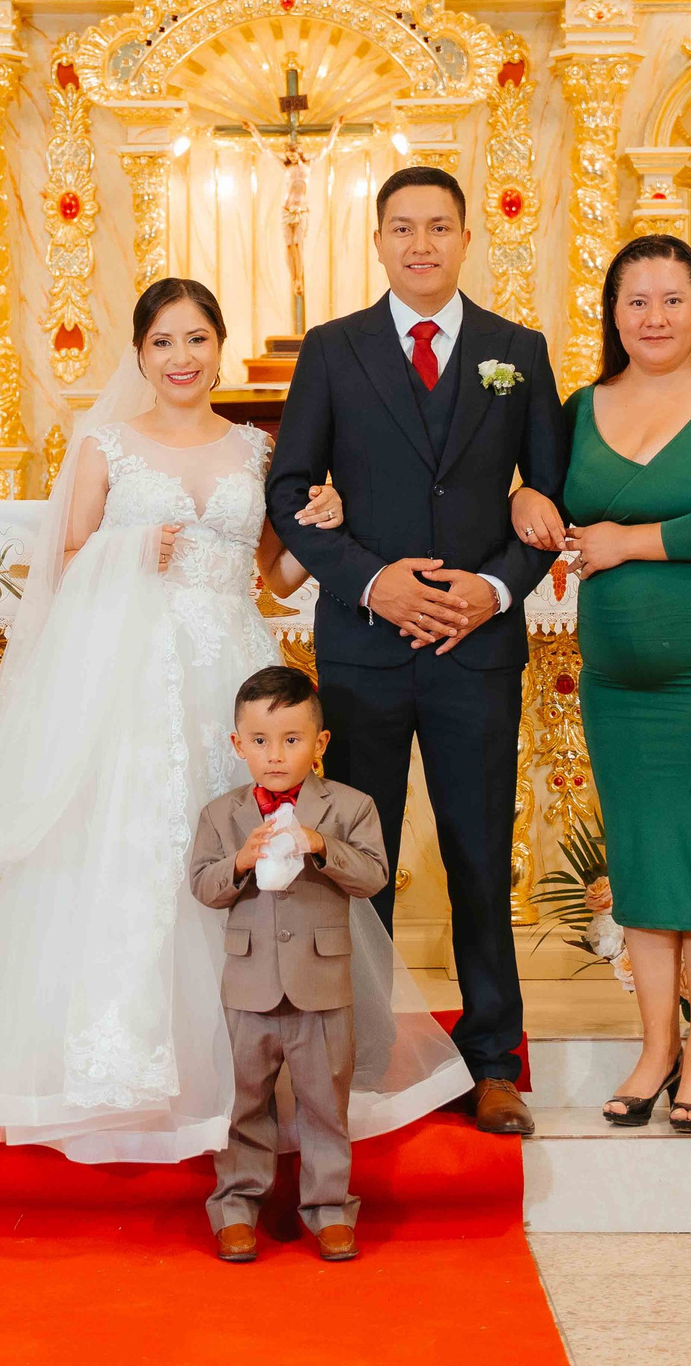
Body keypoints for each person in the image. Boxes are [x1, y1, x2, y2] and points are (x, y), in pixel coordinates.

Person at [0, 278, 468, 1160]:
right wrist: (126, 549)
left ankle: (264, 1064)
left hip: (233, 675)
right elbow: (54, 562)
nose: (182, 358)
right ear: (139, 354)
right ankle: (127, 1063)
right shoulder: (105, 444)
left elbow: (276, 577)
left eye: (197, 340)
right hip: (133, 683)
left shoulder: (256, 451)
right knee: (137, 850)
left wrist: (326, 520)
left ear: (220, 346)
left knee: (249, 855)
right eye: (164, 342)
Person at [264, 166, 569, 1136]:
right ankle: (352, 1054)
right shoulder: (334, 349)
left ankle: (492, 1061)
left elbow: (549, 501)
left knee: (482, 856)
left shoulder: (515, 352)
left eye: (439, 226)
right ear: (379, 242)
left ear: (466, 238)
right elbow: (288, 489)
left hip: (476, 651)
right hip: (363, 648)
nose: (421, 243)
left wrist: (489, 590)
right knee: (360, 860)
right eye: (403, 227)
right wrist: (368, 578)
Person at [547, 234, 691, 1134]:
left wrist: (623, 540)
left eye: (671, 300)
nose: (653, 317)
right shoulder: (580, 405)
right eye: (636, 301)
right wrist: (538, 509)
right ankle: (653, 1047)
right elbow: (545, 494)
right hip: (618, 674)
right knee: (640, 851)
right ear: (613, 312)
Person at [189, 664, 388, 1265]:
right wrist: (241, 863)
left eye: (292, 739)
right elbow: (202, 885)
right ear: (237, 744)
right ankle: (236, 1206)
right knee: (244, 1098)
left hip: (322, 983)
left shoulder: (350, 807)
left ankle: (328, 1209)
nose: (275, 755)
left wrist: (323, 846)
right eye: (259, 741)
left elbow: (374, 875)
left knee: (325, 1099)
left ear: (320, 744)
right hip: (248, 984)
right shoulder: (221, 815)